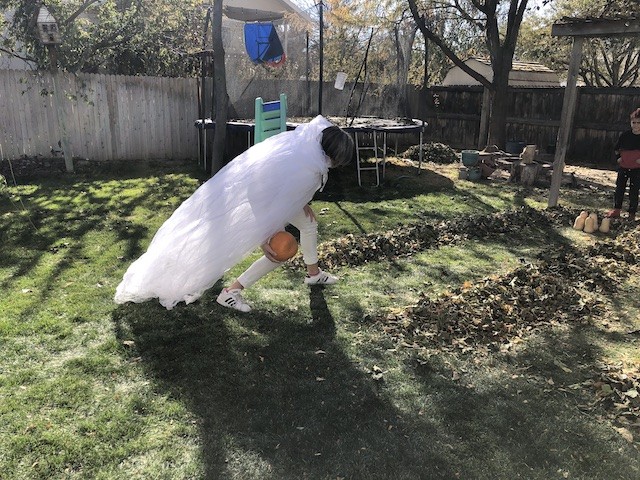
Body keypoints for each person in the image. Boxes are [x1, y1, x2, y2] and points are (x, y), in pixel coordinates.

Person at [114, 115, 354, 311]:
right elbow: (268, 192)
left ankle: (314, 274)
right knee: (282, 249)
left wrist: (301, 203)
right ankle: (231, 292)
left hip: (270, 194)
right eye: (338, 161)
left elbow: (283, 182)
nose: (337, 166)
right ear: (330, 154)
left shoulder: (306, 145)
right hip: (262, 200)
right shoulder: (309, 169)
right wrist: (265, 236)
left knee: (309, 224)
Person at [606, 108, 640, 221]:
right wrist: (618, 158)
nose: (635, 125)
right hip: (624, 167)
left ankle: (632, 213)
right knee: (619, 188)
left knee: (634, 191)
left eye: (638, 123)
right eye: (633, 122)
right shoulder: (625, 135)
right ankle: (617, 209)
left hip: (637, 169)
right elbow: (616, 149)